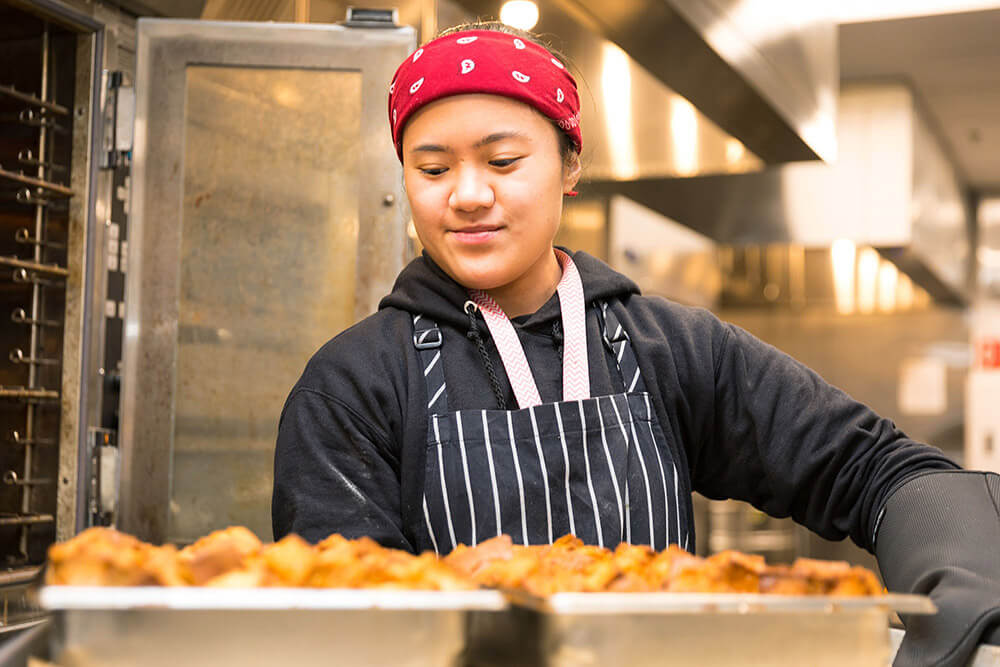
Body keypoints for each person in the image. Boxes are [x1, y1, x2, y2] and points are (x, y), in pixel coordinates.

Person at [272, 21, 1000, 667]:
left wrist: (964, 574)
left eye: (502, 162)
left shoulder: (671, 348)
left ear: (569, 166)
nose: (466, 194)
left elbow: (871, 467)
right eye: (432, 169)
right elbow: (345, 621)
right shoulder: (353, 384)